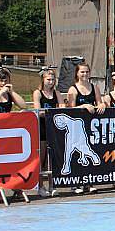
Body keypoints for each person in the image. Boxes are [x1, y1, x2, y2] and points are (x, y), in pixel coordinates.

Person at [0, 67, 27, 200]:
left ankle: (16, 187)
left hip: (8, 133)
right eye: (0, 81)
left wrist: (12, 92)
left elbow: (23, 105)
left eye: (5, 81)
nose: (3, 84)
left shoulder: (9, 94)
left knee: (12, 162)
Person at [67, 62, 106, 194]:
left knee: (88, 153)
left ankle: (89, 182)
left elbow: (99, 102)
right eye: (82, 72)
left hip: (91, 126)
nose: (85, 74)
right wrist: (83, 106)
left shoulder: (94, 87)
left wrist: (102, 105)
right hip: (76, 127)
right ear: (77, 74)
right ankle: (75, 183)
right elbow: (70, 109)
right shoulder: (73, 89)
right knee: (76, 155)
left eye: (87, 72)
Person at [32, 66, 65, 198]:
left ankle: (52, 185)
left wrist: (55, 112)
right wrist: (51, 113)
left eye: (52, 79)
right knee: (42, 158)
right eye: (48, 79)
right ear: (43, 79)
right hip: (42, 128)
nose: (50, 82)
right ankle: (40, 186)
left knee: (53, 158)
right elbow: (38, 110)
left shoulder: (56, 93)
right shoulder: (38, 93)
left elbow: (62, 107)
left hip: (54, 128)